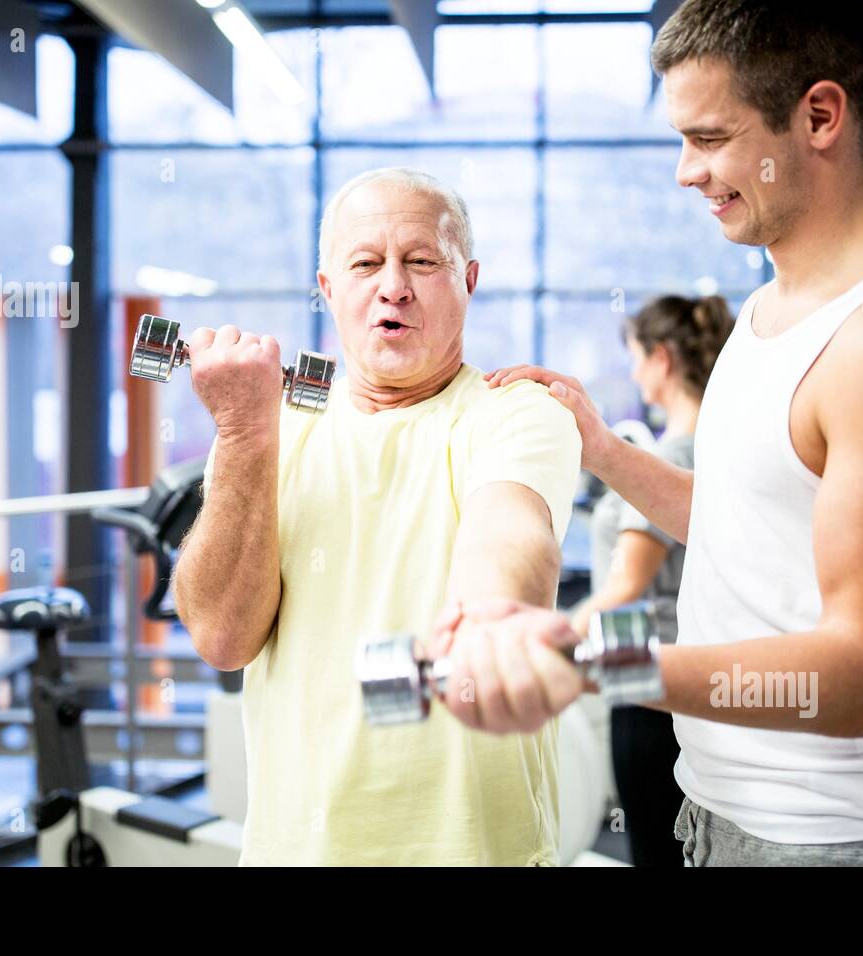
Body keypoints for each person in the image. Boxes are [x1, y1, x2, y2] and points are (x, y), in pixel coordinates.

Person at [432, 0, 863, 867]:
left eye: (709, 138)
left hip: (848, 843)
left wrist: (597, 659)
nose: (684, 171)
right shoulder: (767, 310)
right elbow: (752, 531)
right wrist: (602, 448)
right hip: (719, 818)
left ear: (819, 116)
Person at [173, 168, 581, 865]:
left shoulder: (514, 412)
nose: (393, 285)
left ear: (469, 279)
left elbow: (509, 535)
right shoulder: (265, 428)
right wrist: (242, 432)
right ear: (329, 289)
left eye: (423, 261)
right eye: (366, 264)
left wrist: (488, 619)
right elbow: (222, 638)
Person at [572, 295, 732, 866]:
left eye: (637, 356)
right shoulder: (712, 450)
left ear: (662, 359)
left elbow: (624, 587)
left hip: (649, 688)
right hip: (673, 684)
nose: (634, 371)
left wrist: (547, 644)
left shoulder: (673, 455)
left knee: (654, 852)